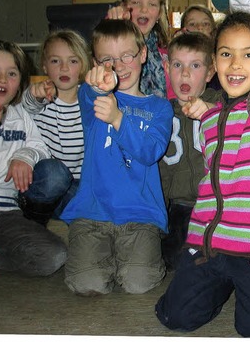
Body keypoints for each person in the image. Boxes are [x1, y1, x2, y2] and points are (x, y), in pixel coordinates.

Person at [155, 12, 250, 338]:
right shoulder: (210, 117)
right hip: (209, 244)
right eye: (225, 54)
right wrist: (204, 111)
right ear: (214, 63)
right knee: (173, 316)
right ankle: (221, 288)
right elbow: (215, 155)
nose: (235, 64)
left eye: (248, 54)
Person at [60, 19, 173, 296]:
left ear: (143, 54)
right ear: (96, 63)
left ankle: (123, 258)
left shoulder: (160, 108)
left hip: (141, 215)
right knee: (86, 284)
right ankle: (102, 257)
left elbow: (150, 152)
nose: (119, 66)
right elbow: (88, 93)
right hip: (91, 214)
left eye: (127, 56)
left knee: (138, 282)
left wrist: (119, 118)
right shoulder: (93, 97)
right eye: (108, 60)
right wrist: (99, 86)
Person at [0, 39, 67, 291]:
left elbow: (40, 147)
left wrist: (24, 156)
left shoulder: (21, 116)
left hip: (8, 215)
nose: (2, 79)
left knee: (54, 257)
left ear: (21, 80)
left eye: (11, 73)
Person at [159, 31, 219, 271]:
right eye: (177, 65)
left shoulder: (220, 102)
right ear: (166, 68)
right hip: (179, 206)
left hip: (214, 203)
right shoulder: (160, 112)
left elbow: (238, 115)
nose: (185, 73)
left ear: (210, 72)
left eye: (195, 65)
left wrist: (210, 111)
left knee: (215, 254)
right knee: (172, 257)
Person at [20, 30, 90, 225]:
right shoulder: (42, 97)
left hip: (74, 187)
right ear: (44, 66)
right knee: (56, 174)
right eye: (55, 61)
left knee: (91, 202)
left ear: (83, 66)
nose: (64, 68)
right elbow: (28, 104)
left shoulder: (89, 100)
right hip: (42, 184)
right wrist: (36, 95)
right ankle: (31, 222)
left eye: (73, 61)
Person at [107, 0, 171, 98]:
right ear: (124, 7)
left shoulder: (167, 55)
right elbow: (103, 46)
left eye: (152, 4)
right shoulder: (113, 44)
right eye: (136, 3)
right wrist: (113, 21)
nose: (144, 9)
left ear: (159, 13)